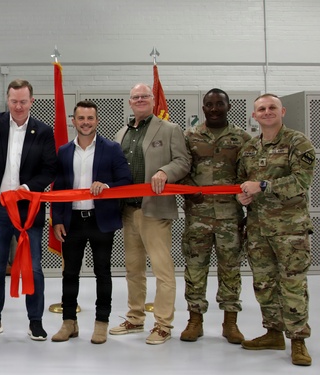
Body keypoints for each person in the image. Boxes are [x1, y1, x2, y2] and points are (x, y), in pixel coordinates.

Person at [0, 79, 57, 340]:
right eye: (14, 101)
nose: (18, 106)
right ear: (7, 100)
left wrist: (28, 187)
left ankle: (35, 321)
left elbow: (50, 169)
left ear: (32, 102)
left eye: (23, 102)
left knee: (35, 268)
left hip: (28, 210)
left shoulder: (44, 131)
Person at [237, 94, 314, 366]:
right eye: (261, 109)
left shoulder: (298, 142)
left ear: (282, 111)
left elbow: (301, 181)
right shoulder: (248, 149)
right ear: (254, 116)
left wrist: (263, 186)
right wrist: (242, 196)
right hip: (258, 229)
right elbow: (241, 183)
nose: (267, 112)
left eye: (271, 108)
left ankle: (298, 340)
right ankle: (272, 333)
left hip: (290, 230)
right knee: (264, 283)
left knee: (292, 283)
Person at [110, 83, 190, 344]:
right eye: (136, 97)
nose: (140, 99)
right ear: (130, 102)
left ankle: (164, 325)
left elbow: (183, 161)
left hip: (154, 211)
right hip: (128, 210)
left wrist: (165, 171)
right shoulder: (122, 132)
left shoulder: (169, 129)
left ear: (152, 100)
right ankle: (135, 318)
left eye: (145, 96)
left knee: (162, 271)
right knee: (133, 270)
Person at [50, 101, 132, 344]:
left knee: (103, 273)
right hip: (71, 221)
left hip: (100, 220)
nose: (86, 122)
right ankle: (69, 323)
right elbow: (58, 188)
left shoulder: (112, 149)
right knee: (69, 274)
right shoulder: (64, 151)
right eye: (81, 118)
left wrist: (106, 186)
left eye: (90, 118)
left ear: (97, 121)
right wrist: (56, 219)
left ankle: (101, 323)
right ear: (73, 121)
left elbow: (126, 182)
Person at [179, 89, 251, 343]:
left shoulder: (242, 137)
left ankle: (230, 322)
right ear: (203, 108)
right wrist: (189, 190)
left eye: (219, 104)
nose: (214, 108)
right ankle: (194, 320)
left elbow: (248, 173)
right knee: (195, 268)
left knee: (230, 268)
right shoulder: (190, 136)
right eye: (209, 104)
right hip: (198, 215)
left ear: (228, 106)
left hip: (230, 215)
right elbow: (181, 167)